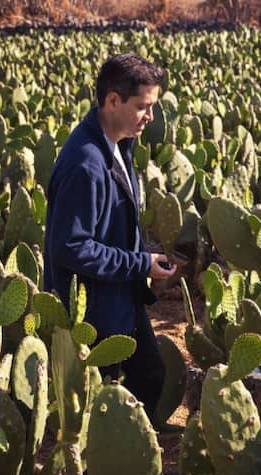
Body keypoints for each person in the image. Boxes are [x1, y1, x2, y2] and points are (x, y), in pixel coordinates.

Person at [44, 53, 176, 421]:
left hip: (119, 293)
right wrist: (140, 262)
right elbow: (70, 246)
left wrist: (140, 256)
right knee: (104, 403)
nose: (150, 117)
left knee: (148, 377)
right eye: (142, 107)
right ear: (113, 100)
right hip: (94, 308)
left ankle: (131, 467)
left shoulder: (117, 144)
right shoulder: (86, 163)